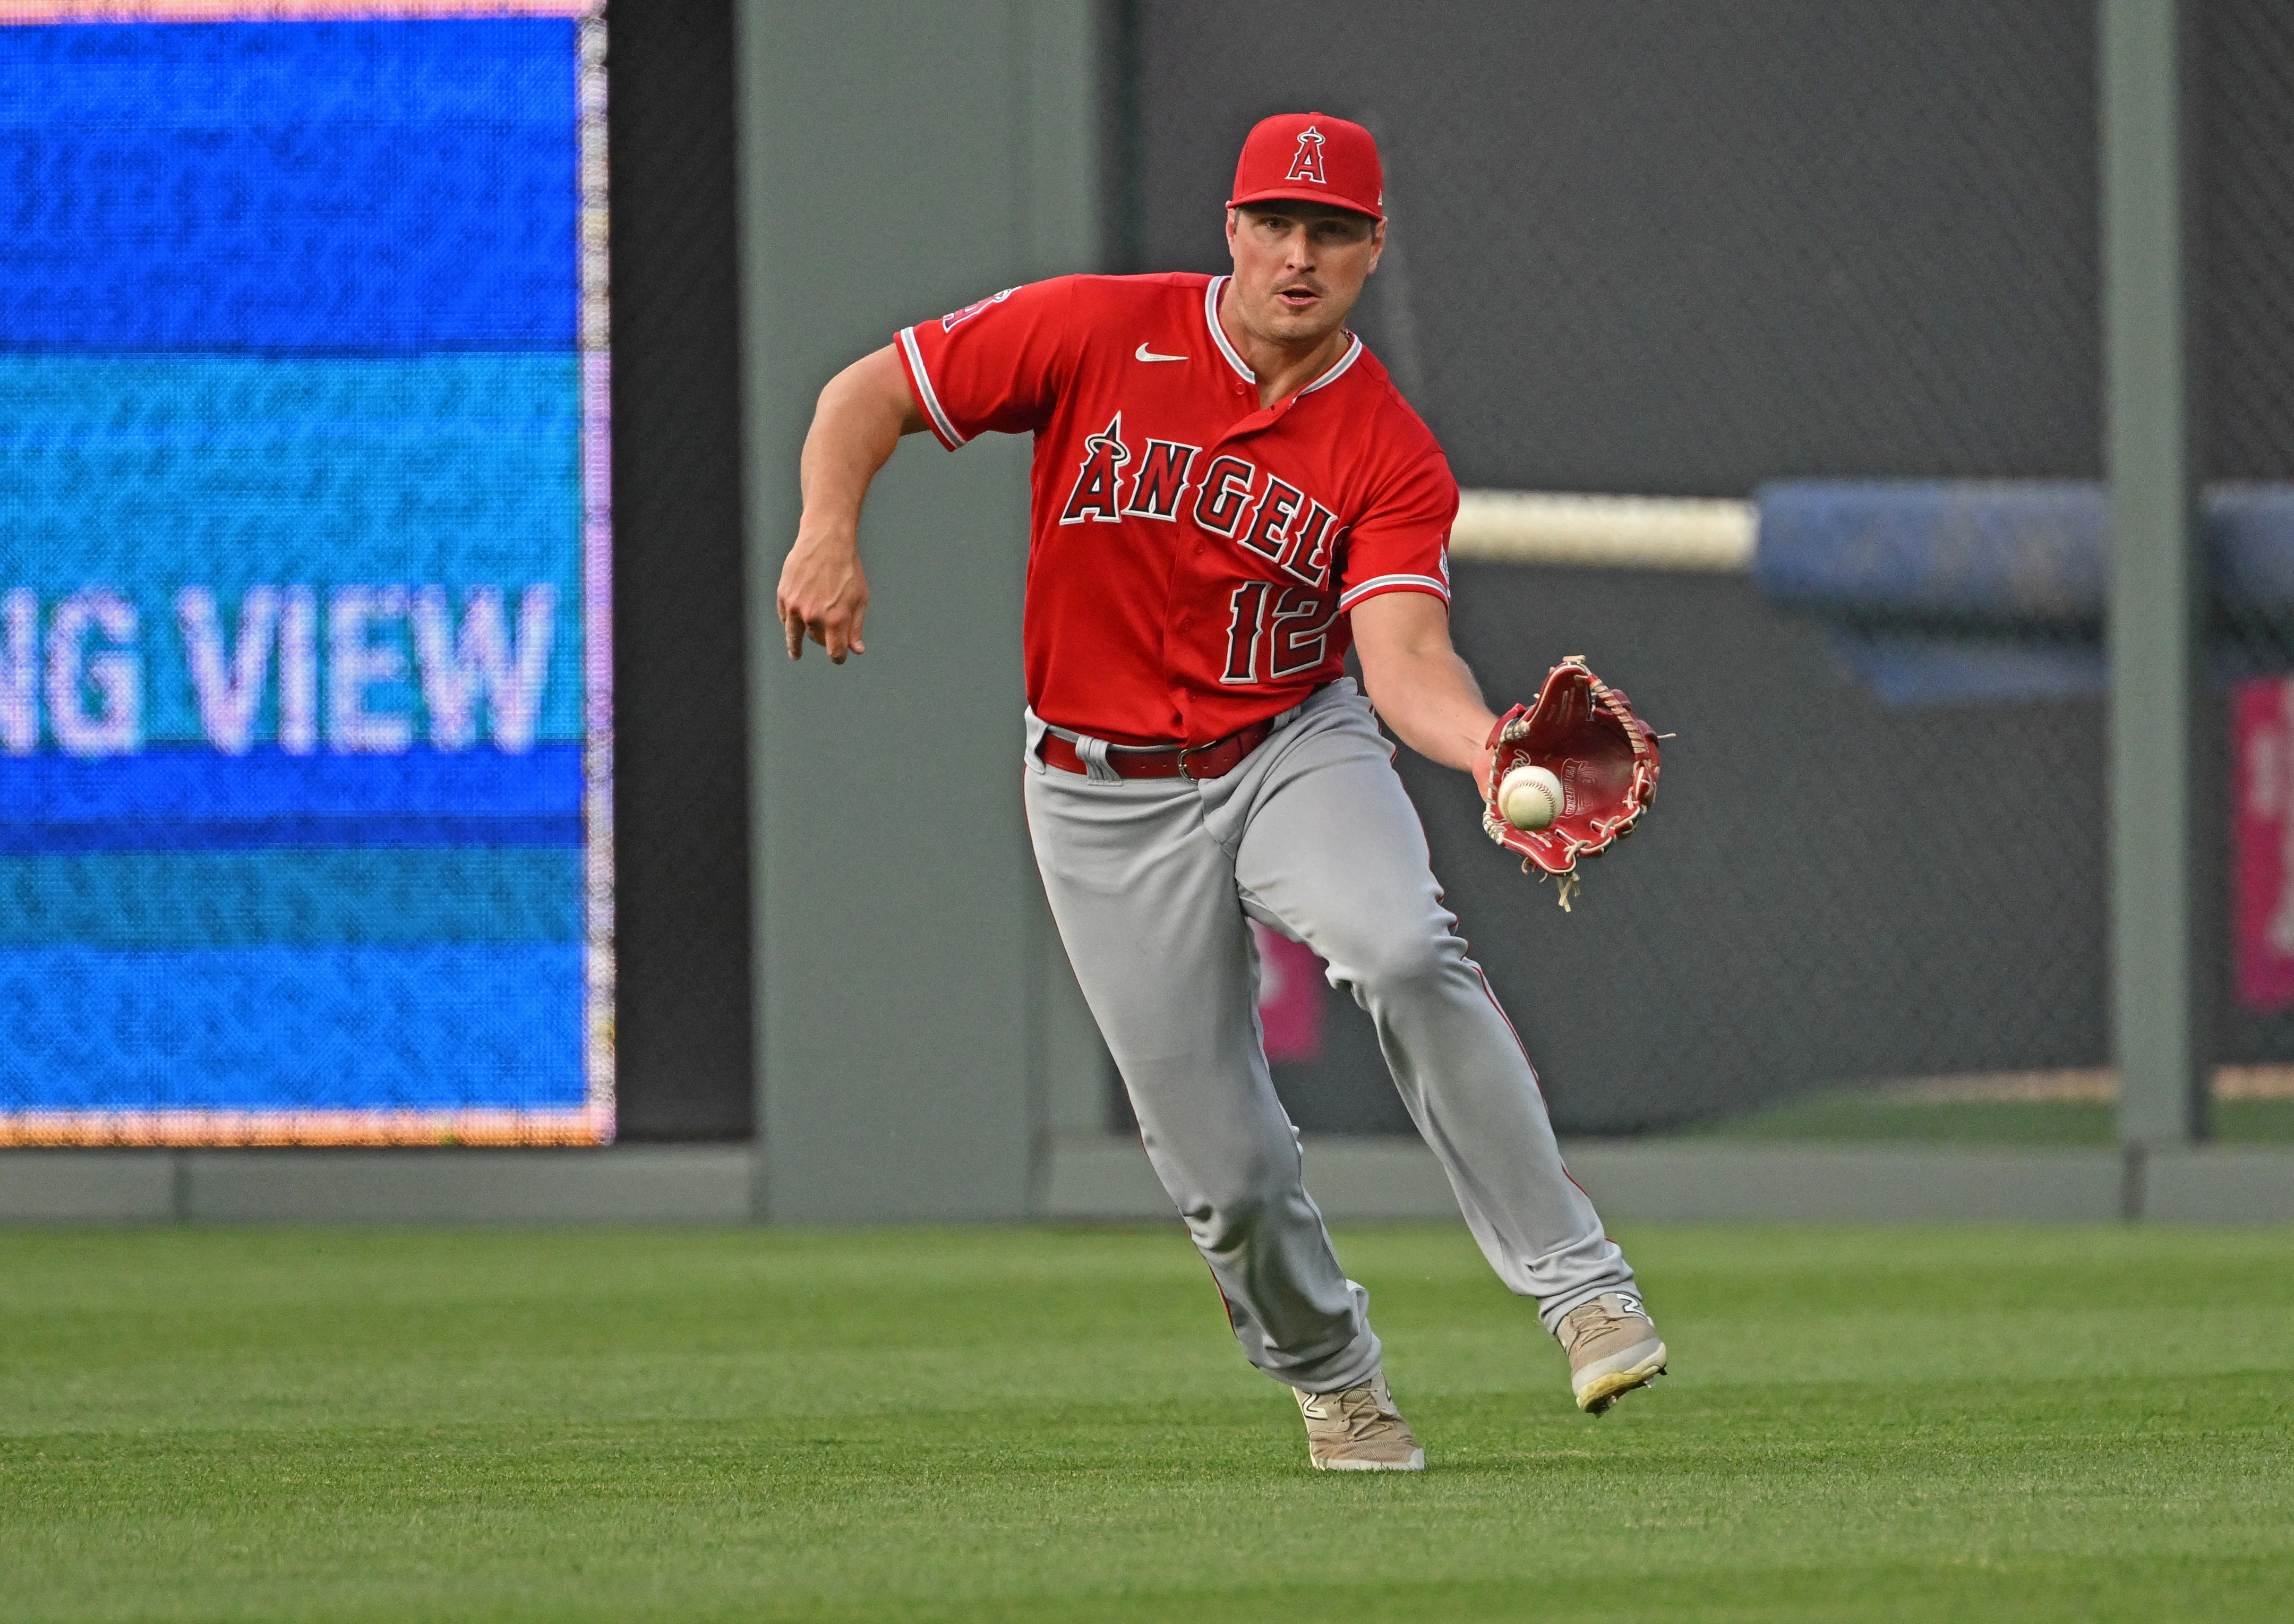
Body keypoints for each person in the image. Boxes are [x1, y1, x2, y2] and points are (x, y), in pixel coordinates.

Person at [776, 112, 1665, 1472]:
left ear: (1374, 249)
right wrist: (828, 530)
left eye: (1332, 230)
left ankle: (1581, 1283)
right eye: (1276, 223)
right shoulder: (1092, 330)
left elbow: (1405, 658)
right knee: (1230, 1171)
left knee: (1402, 943)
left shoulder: (1388, 449)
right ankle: (1338, 1383)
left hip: (1286, 745)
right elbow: (866, 394)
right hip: (1096, 785)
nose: (1298, 254)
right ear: (1234, 229)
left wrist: (1488, 745)